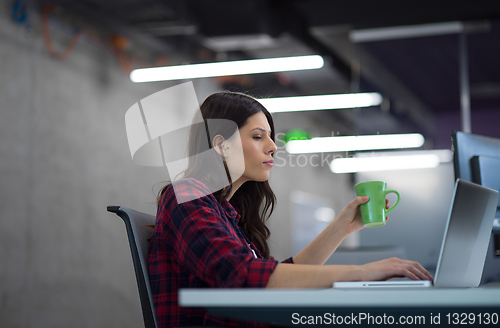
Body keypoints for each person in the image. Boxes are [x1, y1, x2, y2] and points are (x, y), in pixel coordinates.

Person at [148, 91, 433, 328]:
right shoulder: (186, 195)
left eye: (270, 137)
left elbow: (275, 279)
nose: (273, 146)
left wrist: (343, 227)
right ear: (222, 146)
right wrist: (361, 273)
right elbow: (244, 276)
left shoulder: (225, 212)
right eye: (258, 137)